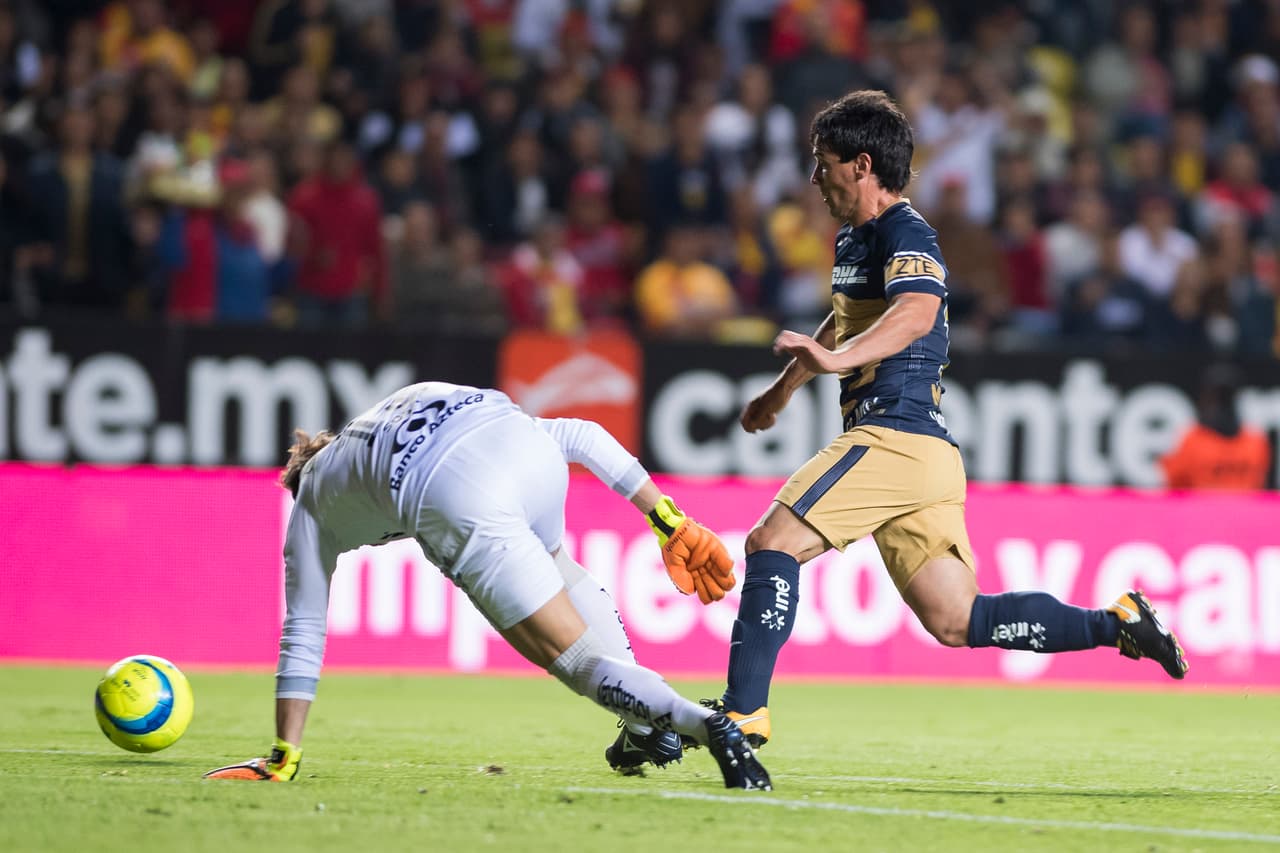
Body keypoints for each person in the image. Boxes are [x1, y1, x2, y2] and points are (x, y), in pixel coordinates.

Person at [705, 90, 1188, 749]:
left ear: (862, 165)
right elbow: (849, 316)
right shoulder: (857, 238)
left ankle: (744, 711)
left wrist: (832, 359)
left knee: (771, 543)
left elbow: (915, 314)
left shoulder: (909, 233)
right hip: (926, 455)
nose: (814, 179)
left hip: (894, 435)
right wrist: (787, 386)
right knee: (958, 618)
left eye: (823, 164)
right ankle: (1118, 623)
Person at [204, 381, 769, 790]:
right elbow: (582, 434)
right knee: (557, 568)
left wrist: (284, 753)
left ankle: (704, 724)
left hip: (455, 493)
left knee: (575, 661)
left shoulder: (310, 502)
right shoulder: (386, 411)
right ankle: (644, 725)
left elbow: (303, 629)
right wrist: (667, 519)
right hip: (519, 449)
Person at [1160, 365, 1271, 490]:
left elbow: (1174, 487)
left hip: (1205, 508)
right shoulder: (1256, 441)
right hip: (1225, 509)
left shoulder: (1191, 440)